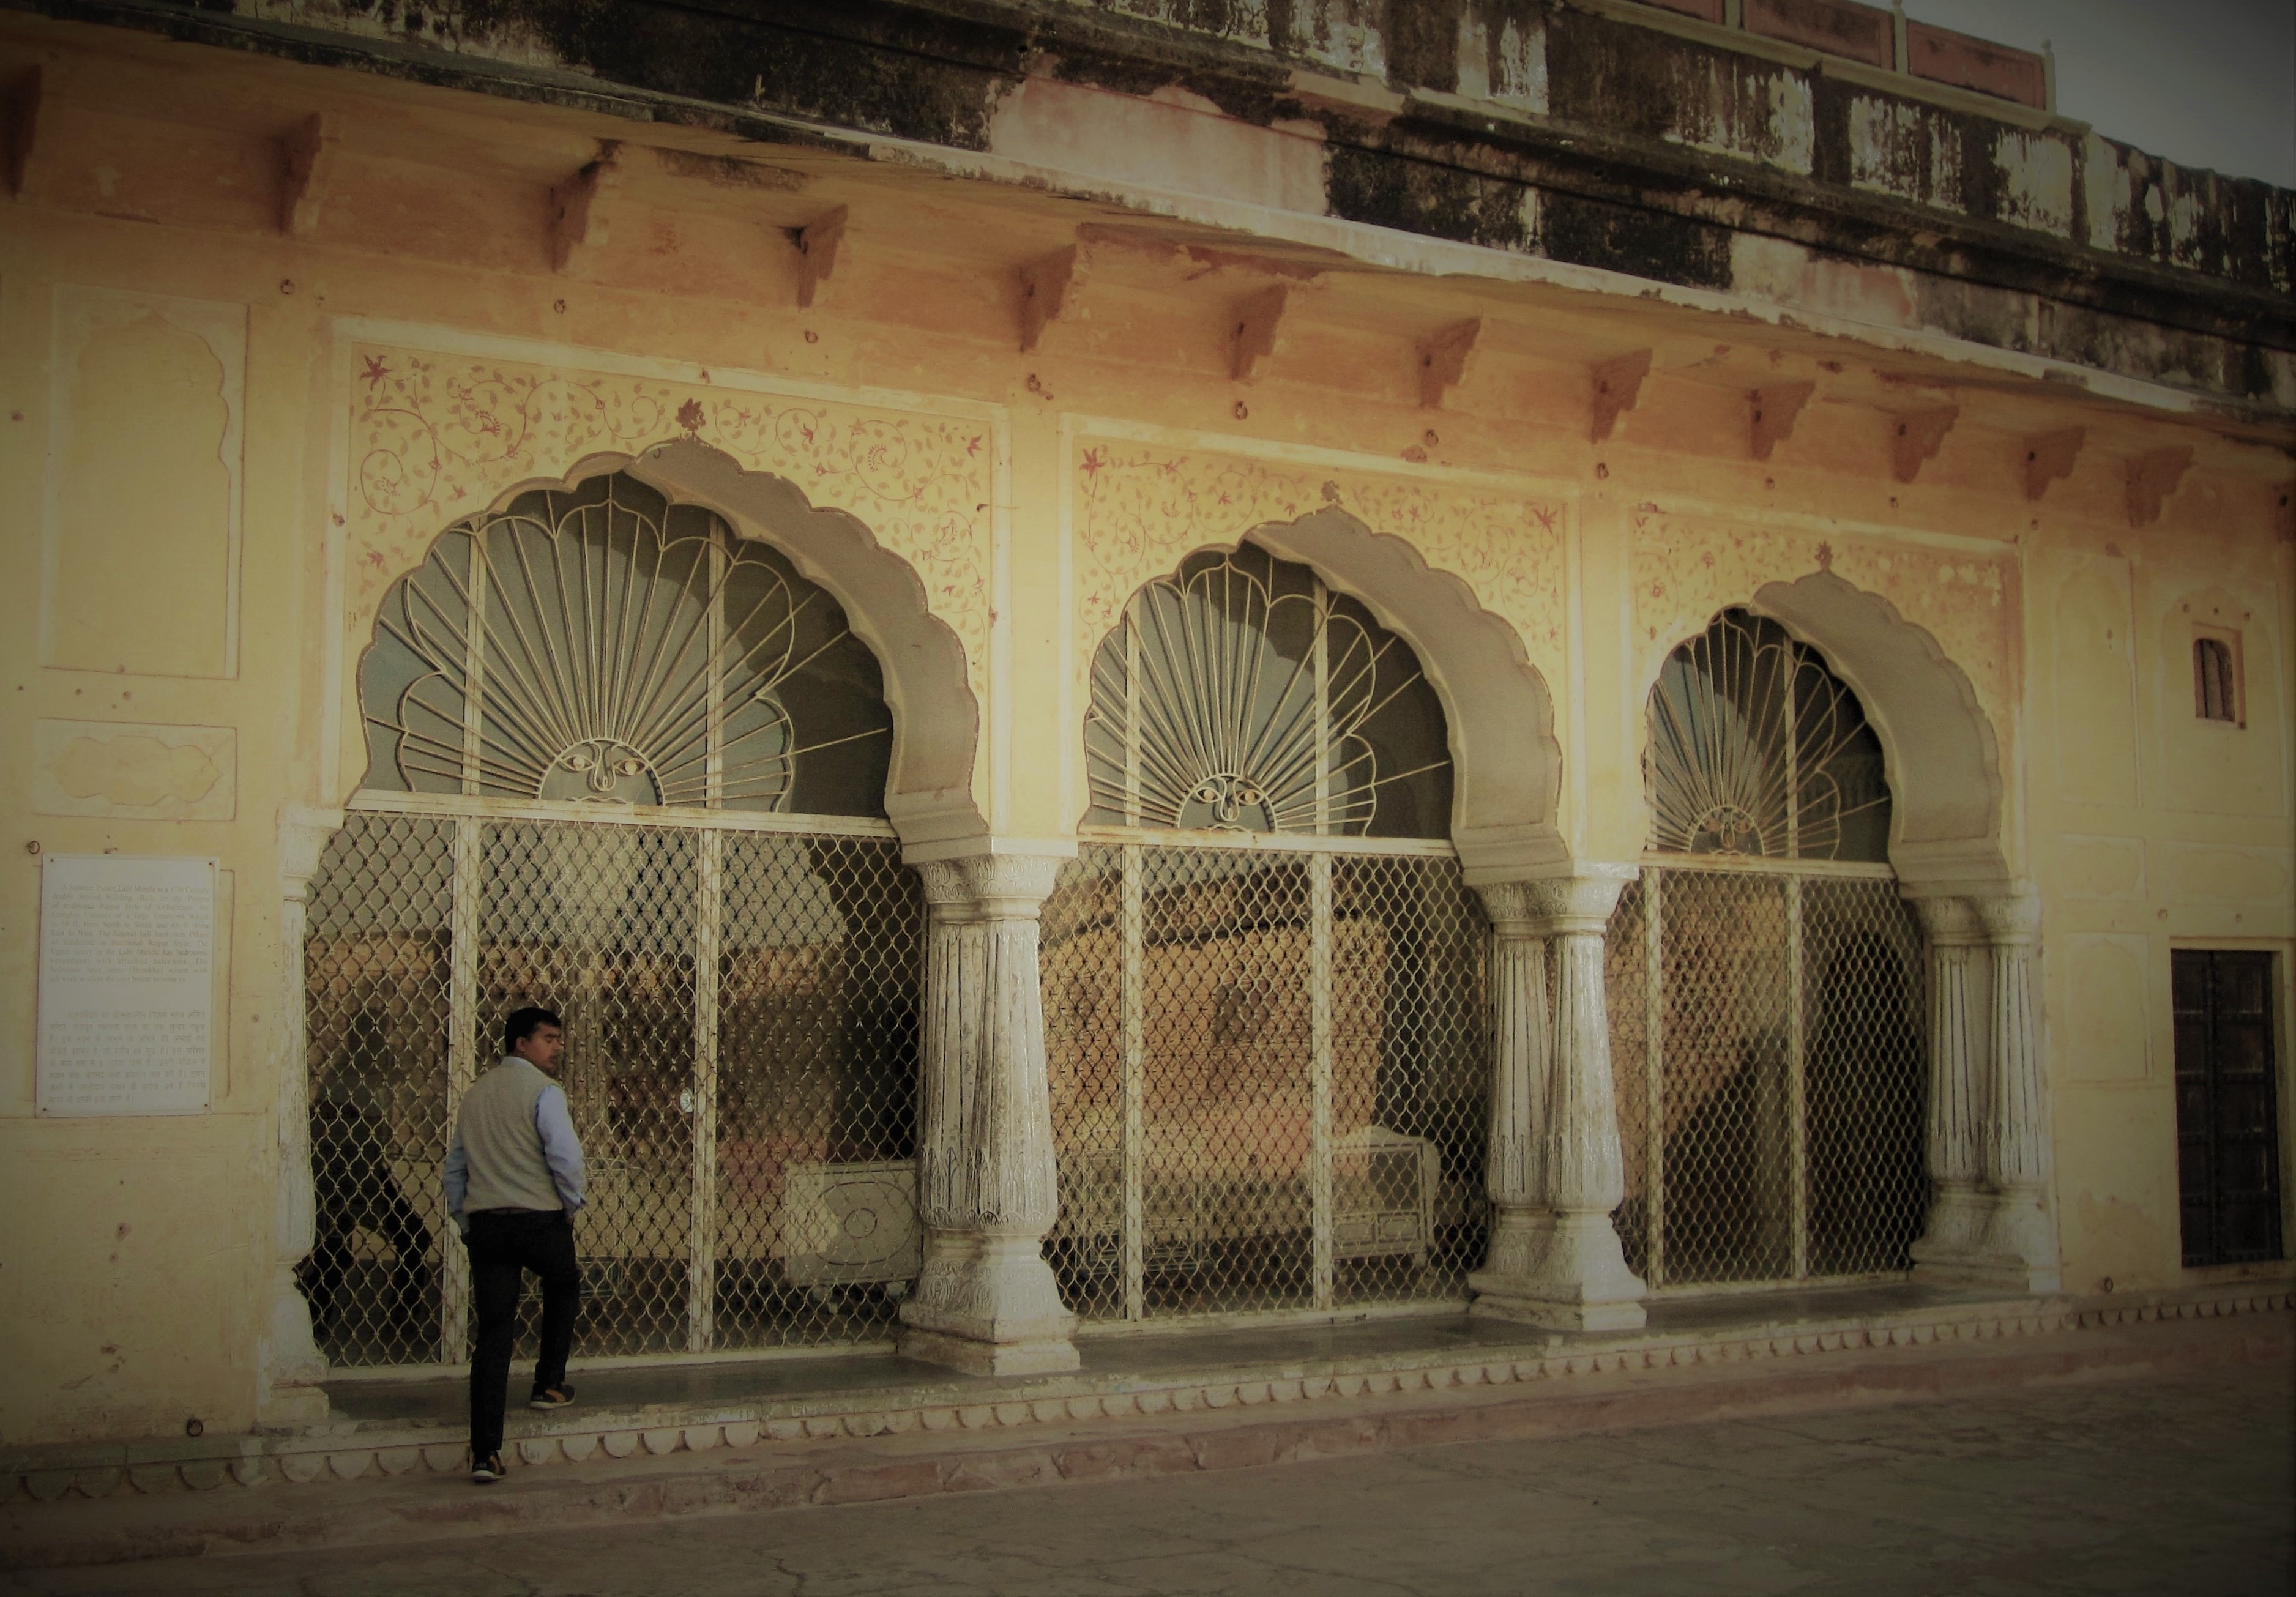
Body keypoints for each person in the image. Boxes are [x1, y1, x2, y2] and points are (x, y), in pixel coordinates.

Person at [444, 1005, 586, 1484]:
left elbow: (455, 1170)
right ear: (521, 1044)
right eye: (548, 1039)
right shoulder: (544, 1092)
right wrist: (569, 1206)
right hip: (538, 1219)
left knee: (494, 1333)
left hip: (487, 1225)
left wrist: (466, 1221)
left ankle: (485, 1452)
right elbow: (565, 1156)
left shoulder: (476, 1095)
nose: (556, 1047)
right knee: (564, 1283)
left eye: (558, 1039)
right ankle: (549, 1382)